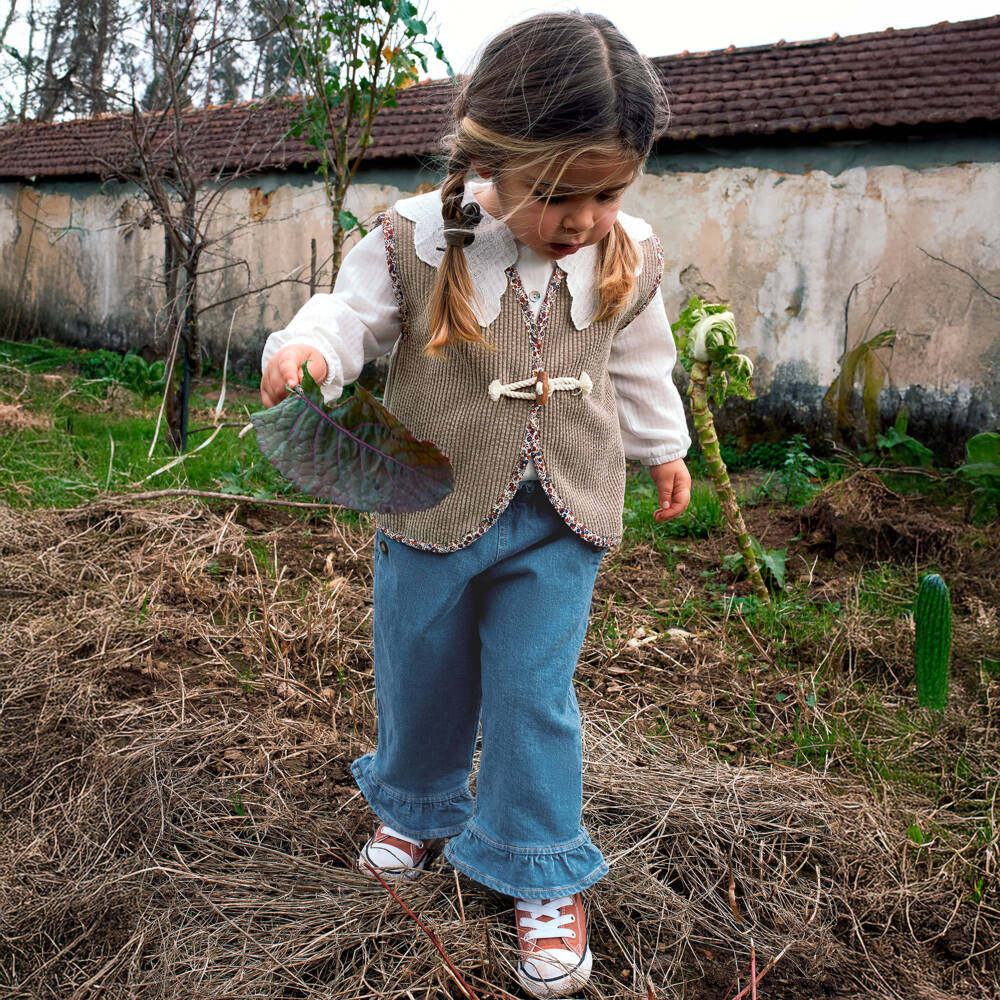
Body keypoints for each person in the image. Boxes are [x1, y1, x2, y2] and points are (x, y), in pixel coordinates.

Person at [260, 12, 692, 996]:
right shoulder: (422, 233)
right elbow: (352, 310)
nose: (582, 219)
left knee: (534, 688)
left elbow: (639, 356)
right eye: (556, 195)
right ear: (489, 157)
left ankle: (537, 859)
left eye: (608, 191)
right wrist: (313, 349)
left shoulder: (627, 250)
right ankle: (416, 802)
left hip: (562, 512)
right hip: (431, 505)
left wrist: (663, 448)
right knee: (421, 668)